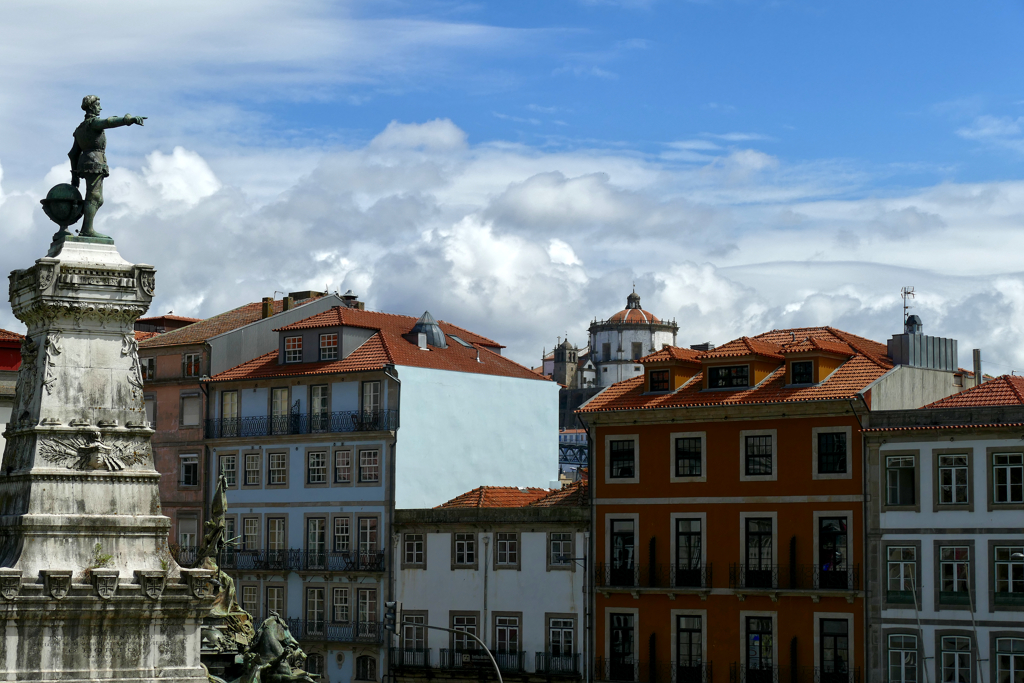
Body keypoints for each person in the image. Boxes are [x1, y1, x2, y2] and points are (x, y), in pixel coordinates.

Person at [68, 95, 146, 237]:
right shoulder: (93, 123)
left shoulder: (79, 129)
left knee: (96, 197)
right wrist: (128, 119)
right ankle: (87, 229)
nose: (100, 108)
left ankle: (86, 227)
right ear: (91, 106)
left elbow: (73, 154)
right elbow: (109, 122)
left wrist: (74, 176)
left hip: (85, 163)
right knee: (94, 196)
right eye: (98, 104)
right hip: (95, 163)